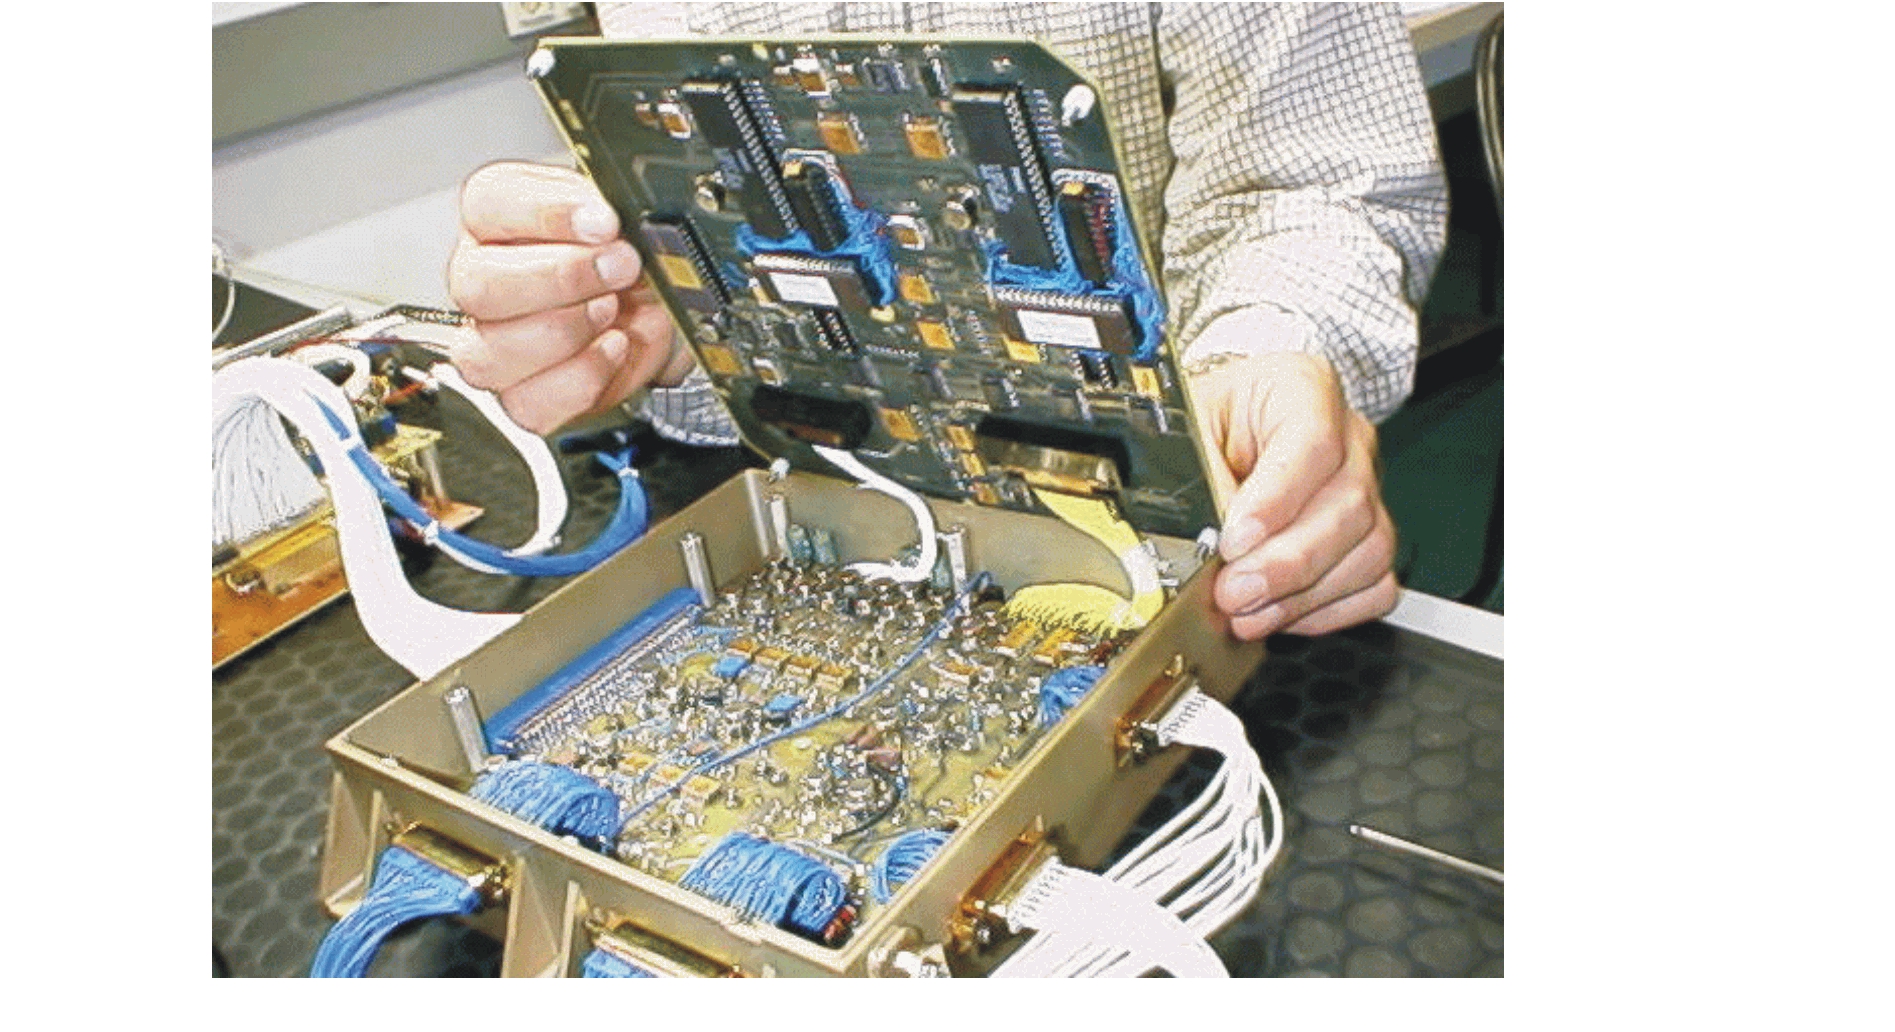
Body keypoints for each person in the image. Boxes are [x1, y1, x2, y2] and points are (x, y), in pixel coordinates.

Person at [445, 3, 1448, 641]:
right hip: (824, 525)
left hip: (1172, 533)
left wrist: (1264, 348)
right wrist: (672, 315)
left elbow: (1314, 177)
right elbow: (687, 164)